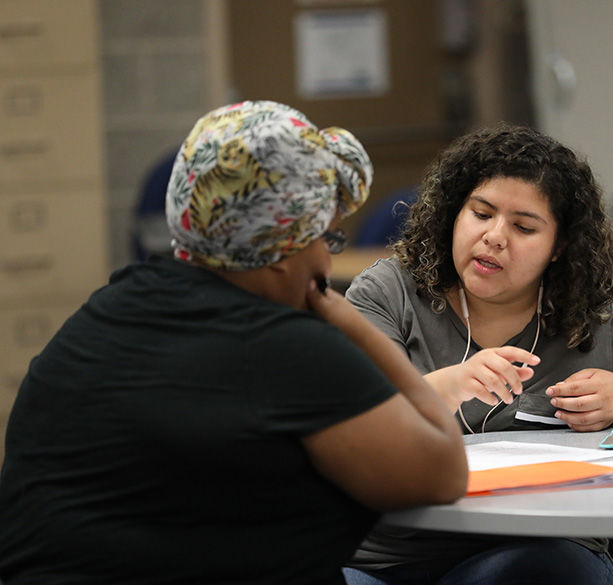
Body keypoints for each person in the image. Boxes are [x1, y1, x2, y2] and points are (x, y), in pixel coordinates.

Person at [0, 101, 468, 584]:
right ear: (281, 251)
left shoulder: (102, 313)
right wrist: (346, 321)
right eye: (326, 240)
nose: (326, 266)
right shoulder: (284, 346)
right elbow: (443, 471)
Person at [343, 123, 613, 585]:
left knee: (552, 571)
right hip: (392, 556)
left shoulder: (598, 305)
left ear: (560, 246)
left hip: (531, 550)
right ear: (453, 214)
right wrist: (450, 384)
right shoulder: (389, 292)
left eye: (524, 227)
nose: (494, 237)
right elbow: (360, 422)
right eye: (480, 214)